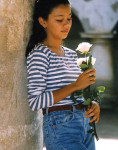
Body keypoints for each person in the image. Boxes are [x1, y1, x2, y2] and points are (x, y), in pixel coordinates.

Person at [26, 0, 100, 149]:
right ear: (43, 21)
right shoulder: (40, 54)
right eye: (59, 20)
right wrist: (75, 85)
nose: (66, 24)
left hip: (85, 124)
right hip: (60, 126)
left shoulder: (72, 55)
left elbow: (79, 91)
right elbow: (35, 102)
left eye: (69, 18)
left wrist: (93, 104)